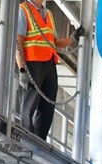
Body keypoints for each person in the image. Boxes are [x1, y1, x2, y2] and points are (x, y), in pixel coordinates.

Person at [15, 0, 83, 140]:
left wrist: (72, 39)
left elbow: (53, 41)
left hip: (49, 63)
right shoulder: (24, 10)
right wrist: (22, 69)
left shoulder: (48, 14)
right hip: (33, 63)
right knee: (29, 105)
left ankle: (40, 140)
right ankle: (26, 139)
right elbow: (18, 41)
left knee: (48, 106)